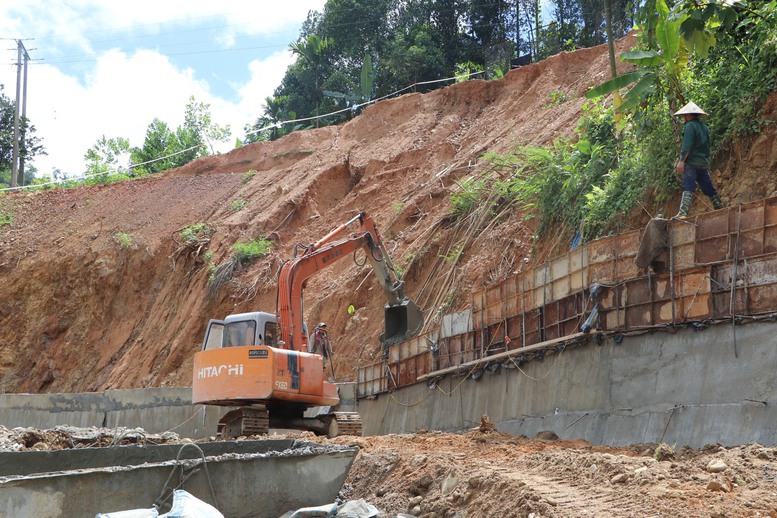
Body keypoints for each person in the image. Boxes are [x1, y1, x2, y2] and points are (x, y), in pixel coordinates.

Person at [674, 101, 724, 218]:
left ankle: (683, 213)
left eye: (684, 116)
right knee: (708, 187)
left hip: (691, 163)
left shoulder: (689, 126)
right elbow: (707, 146)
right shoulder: (704, 127)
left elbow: (687, 145)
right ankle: (720, 208)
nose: (683, 118)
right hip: (702, 163)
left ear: (688, 115)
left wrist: (681, 161)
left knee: (688, 186)